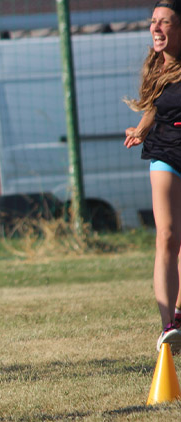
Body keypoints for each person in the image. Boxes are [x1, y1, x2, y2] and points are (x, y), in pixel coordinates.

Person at [125, 1, 181, 355]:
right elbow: (155, 106)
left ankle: (179, 311)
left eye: (165, 22)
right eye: (153, 22)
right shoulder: (156, 67)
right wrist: (142, 129)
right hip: (165, 152)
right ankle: (168, 326)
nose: (156, 28)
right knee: (167, 235)